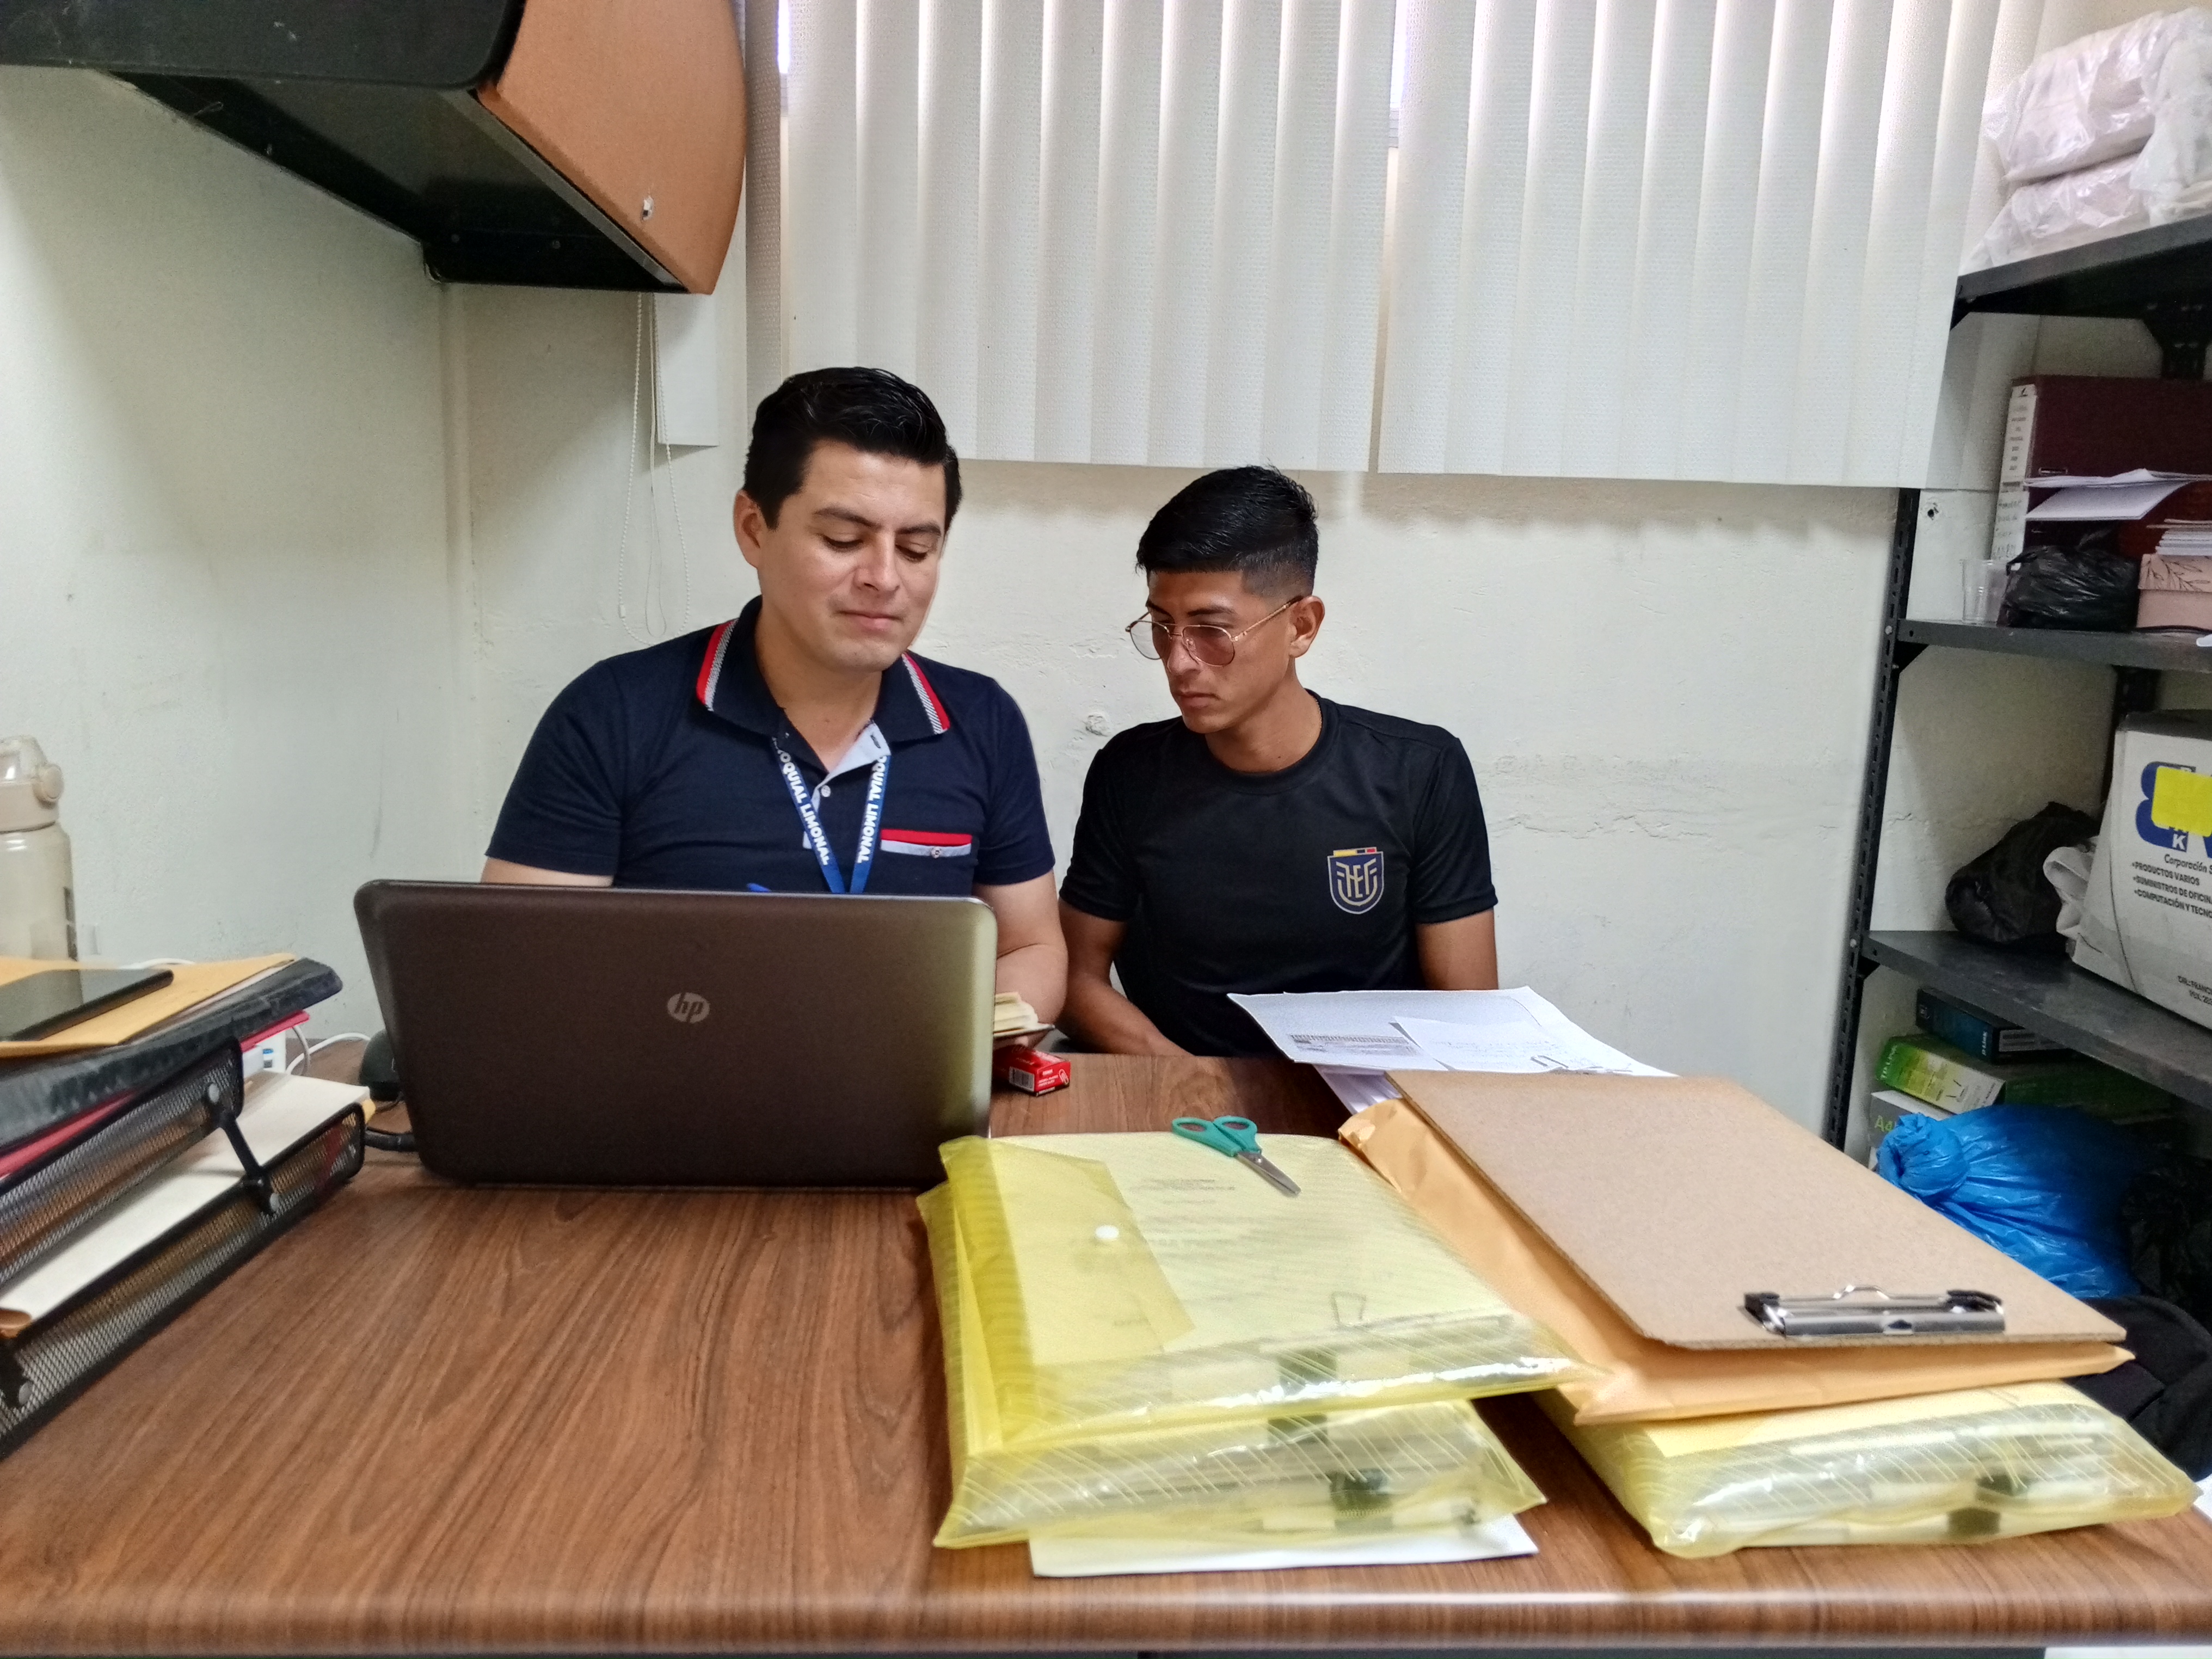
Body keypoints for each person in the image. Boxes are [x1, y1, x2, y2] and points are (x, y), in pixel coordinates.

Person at [482, 366, 1066, 1022]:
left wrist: (942, 1043)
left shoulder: (981, 720)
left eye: (915, 549)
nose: (883, 578)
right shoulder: (614, 712)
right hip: (678, 1071)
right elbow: (521, 964)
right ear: (753, 528)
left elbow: (1031, 946)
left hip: (913, 1077)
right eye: (843, 540)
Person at [1057, 466, 1496, 1056]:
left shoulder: (1419, 772)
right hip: (1182, 1092)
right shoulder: (1130, 773)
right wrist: (1187, 1080)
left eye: (1211, 630)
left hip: (1361, 1095)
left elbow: (1467, 1015)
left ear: (1301, 627)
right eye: (1162, 626)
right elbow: (1073, 979)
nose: (1179, 662)